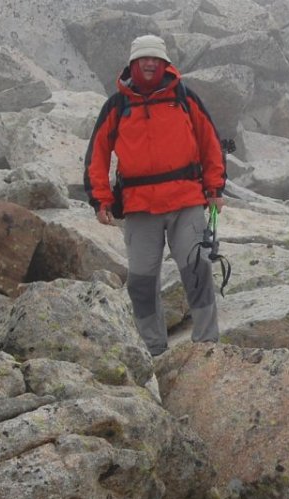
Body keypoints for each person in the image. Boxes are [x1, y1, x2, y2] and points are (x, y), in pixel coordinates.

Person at [84, 34, 227, 356]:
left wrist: (215, 188)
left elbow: (210, 142)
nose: (150, 64)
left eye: (156, 59)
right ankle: (154, 351)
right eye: (143, 59)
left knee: (197, 270)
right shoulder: (117, 105)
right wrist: (100, 199)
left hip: (186, 200)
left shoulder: (185, 97)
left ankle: (207, 346)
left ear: (165, 64)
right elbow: (97, 155)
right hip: (139, 207)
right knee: (141, 282)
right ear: (132, 64)